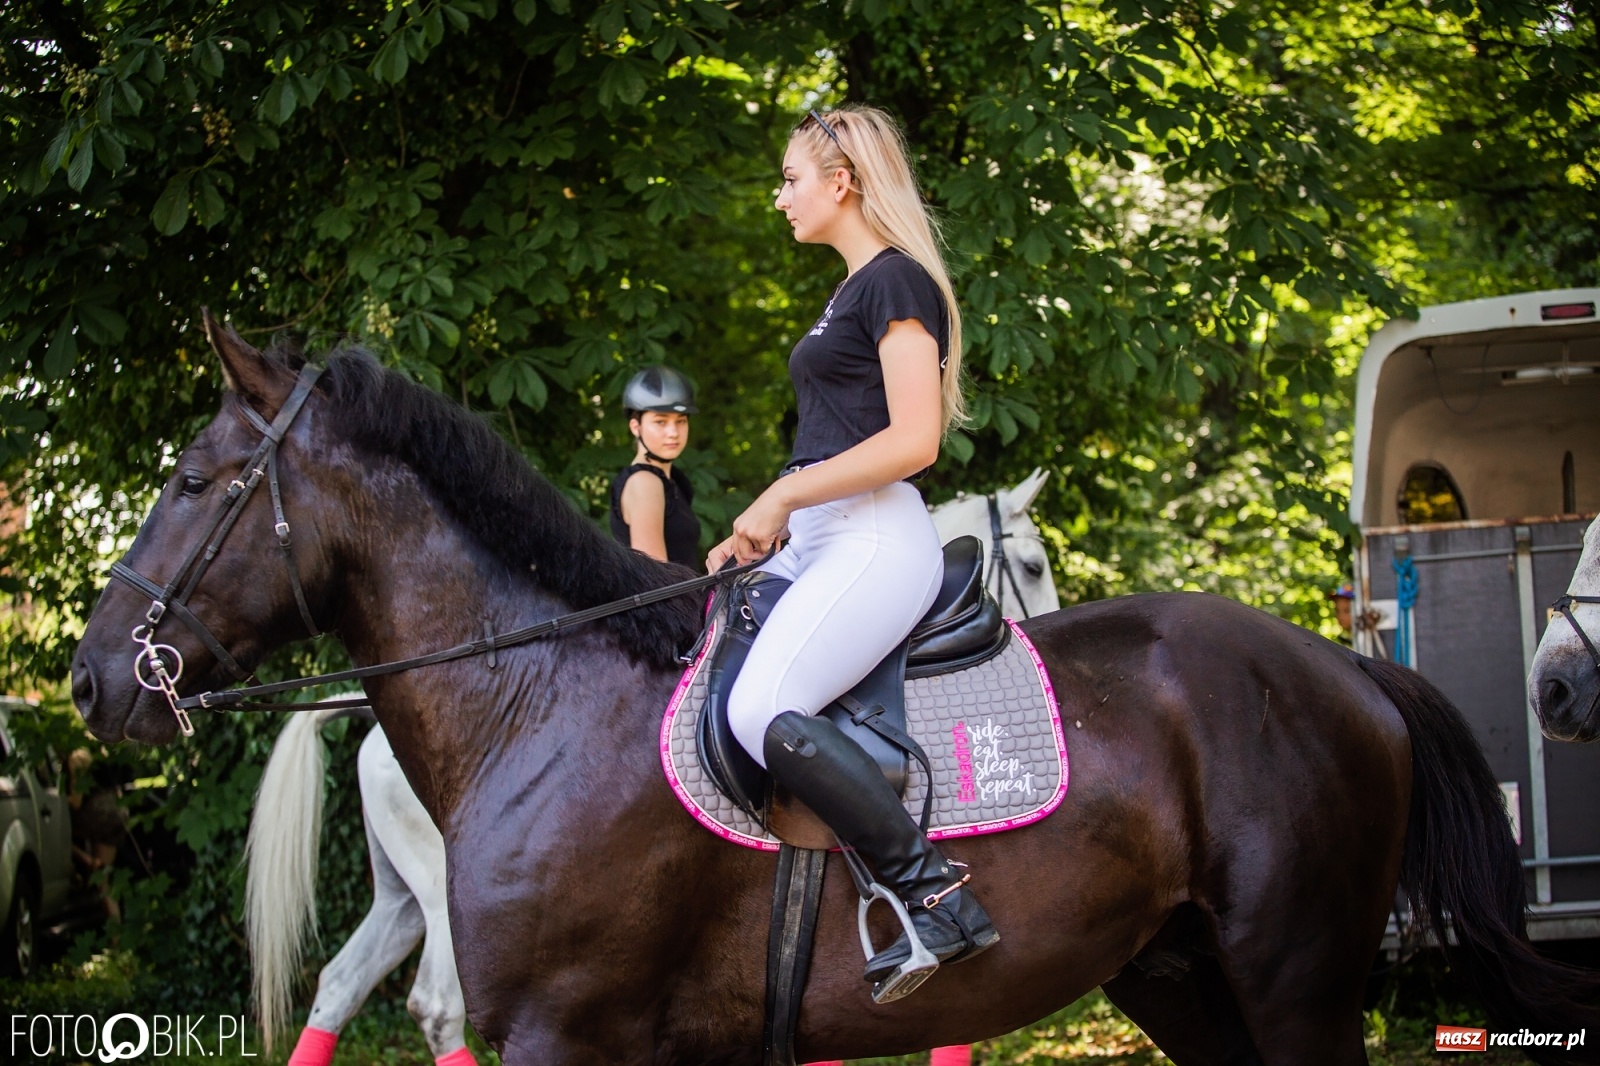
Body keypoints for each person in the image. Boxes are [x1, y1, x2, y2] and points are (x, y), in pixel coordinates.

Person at [706, 105, 998, 998]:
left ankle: (932, 891)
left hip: (876, 534)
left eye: (790, 179)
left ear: (840, 183)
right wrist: (770, 526)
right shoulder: (846, 291)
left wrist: (785, 493)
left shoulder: (895, 284)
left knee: (761, 708)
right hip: (822, 534)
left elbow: (914, 441)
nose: (779, 196)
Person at [609, 367, 701, 568]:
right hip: (672, 599)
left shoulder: (669, 480)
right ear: (636, 427)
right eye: (660, 421)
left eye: (681, 421)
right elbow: (657, 581)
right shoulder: (644, 482)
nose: (673, 432)